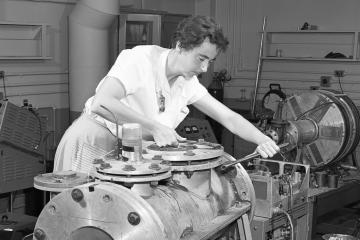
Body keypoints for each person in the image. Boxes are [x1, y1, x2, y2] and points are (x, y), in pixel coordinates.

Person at [53, 15, 279, 173]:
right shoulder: (139, 59)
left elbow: (228, 117)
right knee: (78, 222)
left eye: (210, 62)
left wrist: (261, 139)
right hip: (93, 141)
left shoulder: (186, 81)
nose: (204, 69)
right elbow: (102, 102)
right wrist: (155, 127)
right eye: (201, 59)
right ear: (180, 46)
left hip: (128, 152)